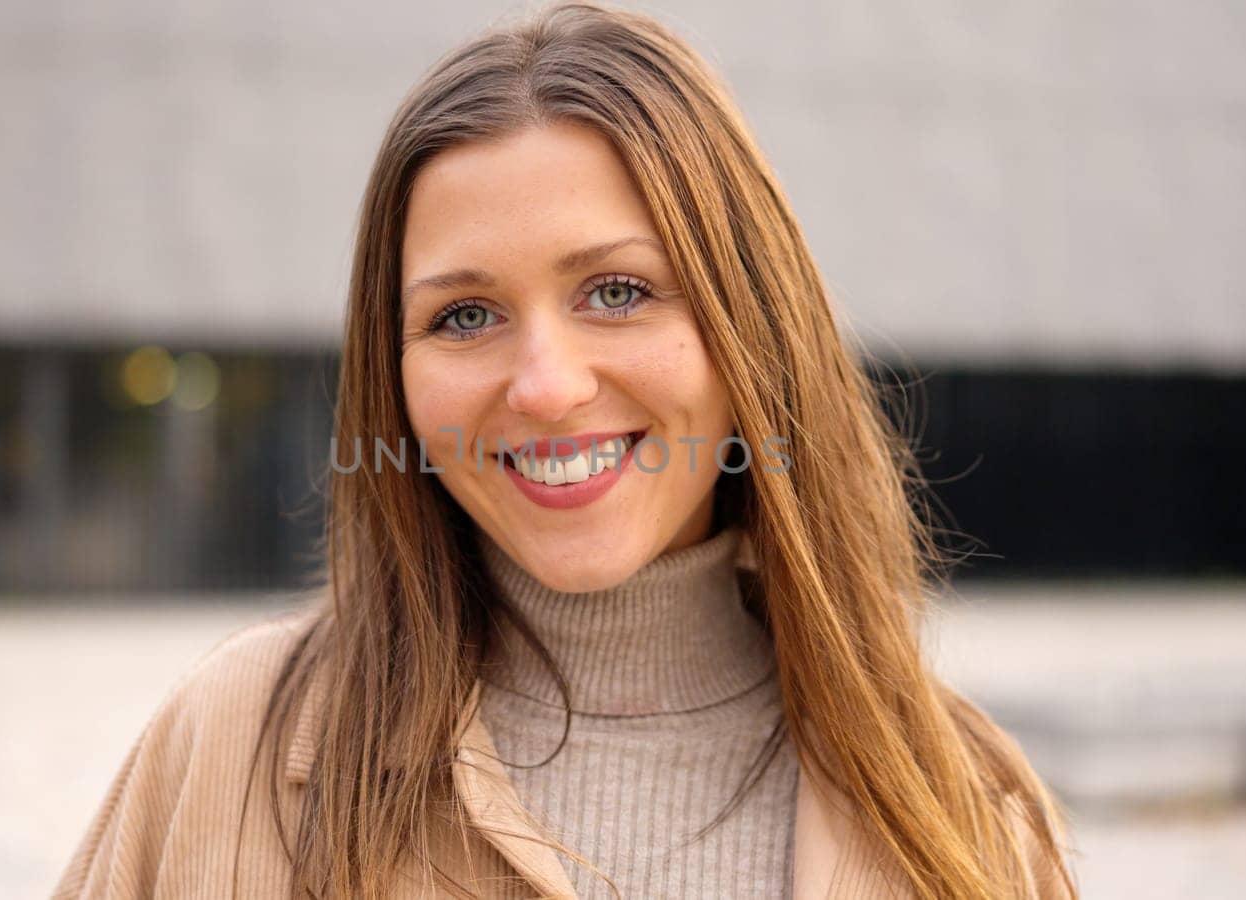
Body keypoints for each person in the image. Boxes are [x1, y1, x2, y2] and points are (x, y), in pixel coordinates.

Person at [52, 3, 1077, 898]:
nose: (545, 385)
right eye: (463, 317)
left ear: (751, 329)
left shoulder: (969, 805)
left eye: (617, 292)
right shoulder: (228, 745)